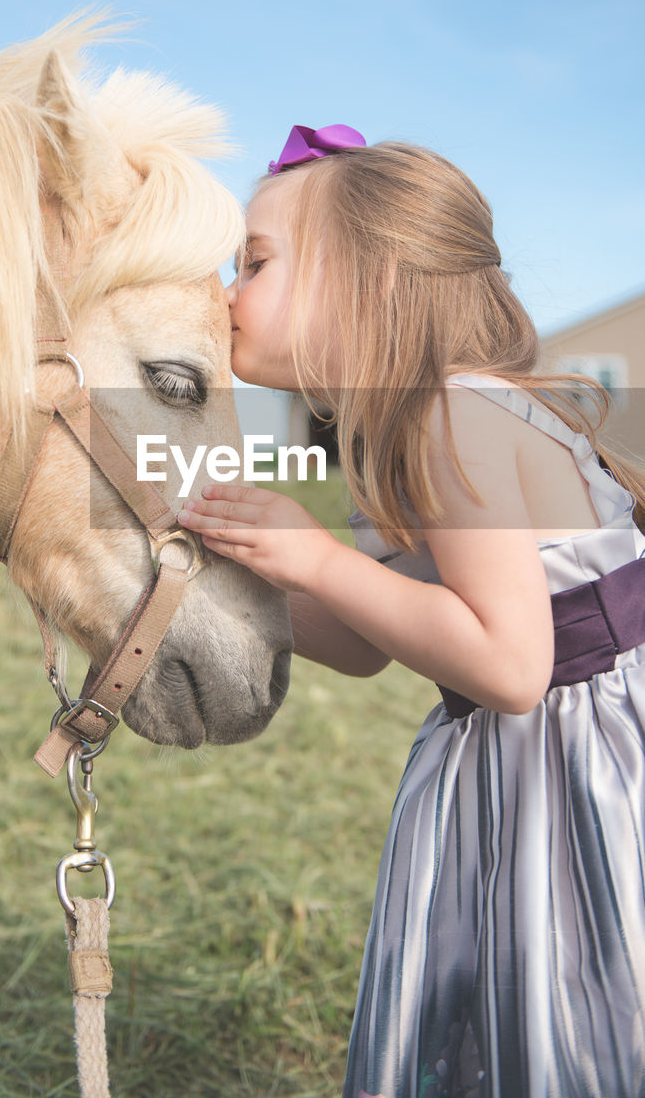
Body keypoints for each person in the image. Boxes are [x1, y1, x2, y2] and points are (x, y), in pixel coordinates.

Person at [177, 125, 645, 1098]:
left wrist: (310, 551)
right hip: (518, 760)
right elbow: (363, 641)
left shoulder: (447, 412)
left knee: (582, 993)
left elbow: (508, 662)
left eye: (253, 261)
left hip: (568, 756)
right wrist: (229, 576)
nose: (225, 293)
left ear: (372, 280)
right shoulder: (394, 422)